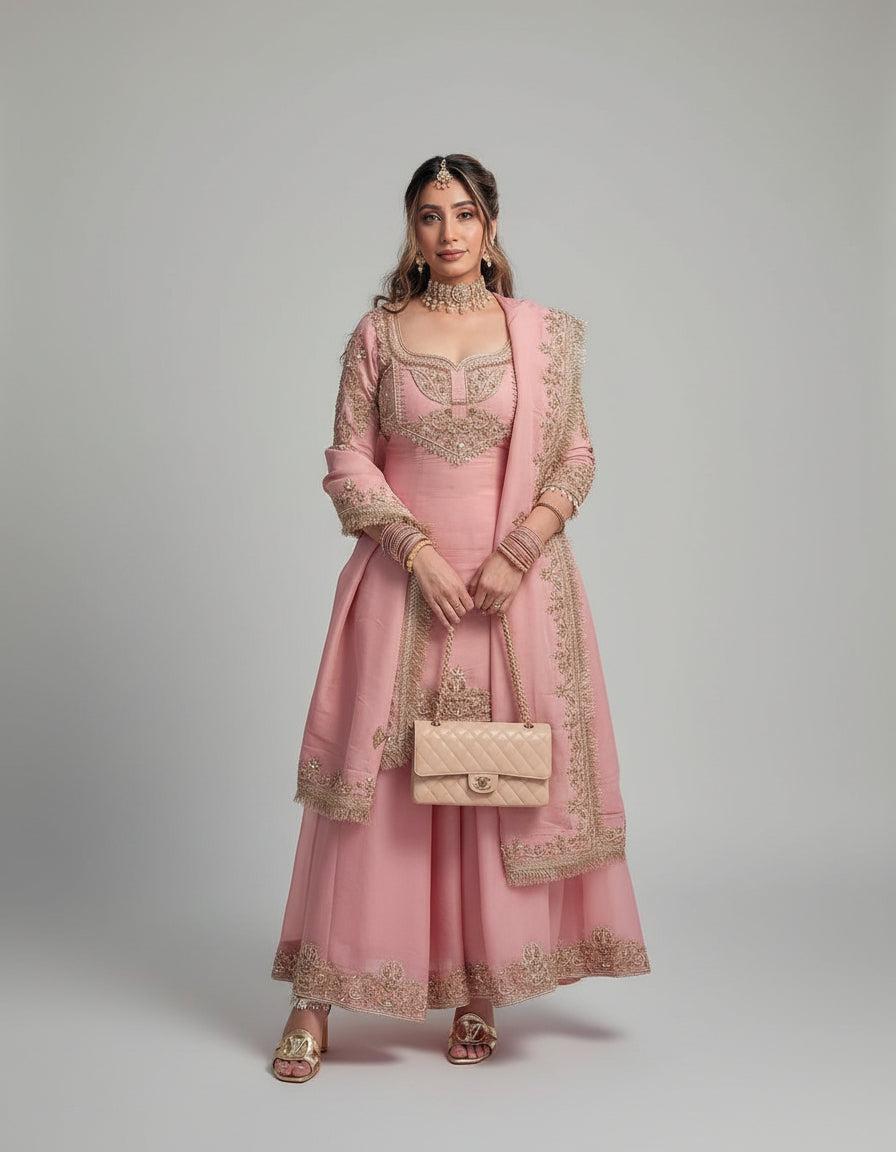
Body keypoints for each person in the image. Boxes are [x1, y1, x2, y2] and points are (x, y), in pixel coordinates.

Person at [270, 154, 650, 1082]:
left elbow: (578, 456)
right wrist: (418, 553)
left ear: (491, 227)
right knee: (377, 788)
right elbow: (347, 460)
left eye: (465, 213)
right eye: (430, 215)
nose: (448, 232)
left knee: (488, 782)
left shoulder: (542, 337)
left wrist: (521, 549)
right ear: (412, 229)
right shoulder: (376, 335)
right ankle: (316, 1002)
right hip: (405, 588)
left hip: (510, 595)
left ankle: (480, 993)